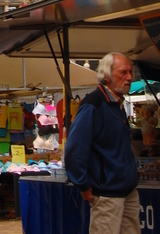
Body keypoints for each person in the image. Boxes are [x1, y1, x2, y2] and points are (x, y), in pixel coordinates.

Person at [65, 53, 140, 234]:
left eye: (131, 72)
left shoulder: (117, 104)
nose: (129, 77)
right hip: (106, 194)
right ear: (106, 75)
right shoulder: (94, 105)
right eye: (123, 72)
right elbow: (74, 149)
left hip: (127, 191)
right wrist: (83, 186)